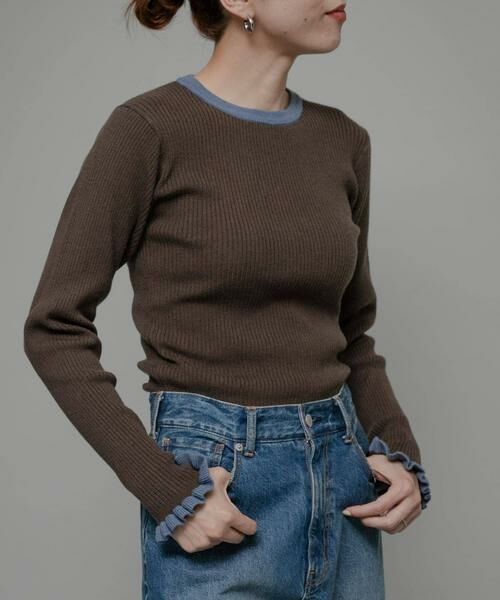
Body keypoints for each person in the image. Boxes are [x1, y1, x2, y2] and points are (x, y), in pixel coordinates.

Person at [23, 1, 431, 598]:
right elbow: (53, 328)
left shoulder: (343, 140)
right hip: (220, 488)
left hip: (343, 483)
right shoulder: (149, 129)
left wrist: (398, 448)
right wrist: (167, 490)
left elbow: (351, 332)